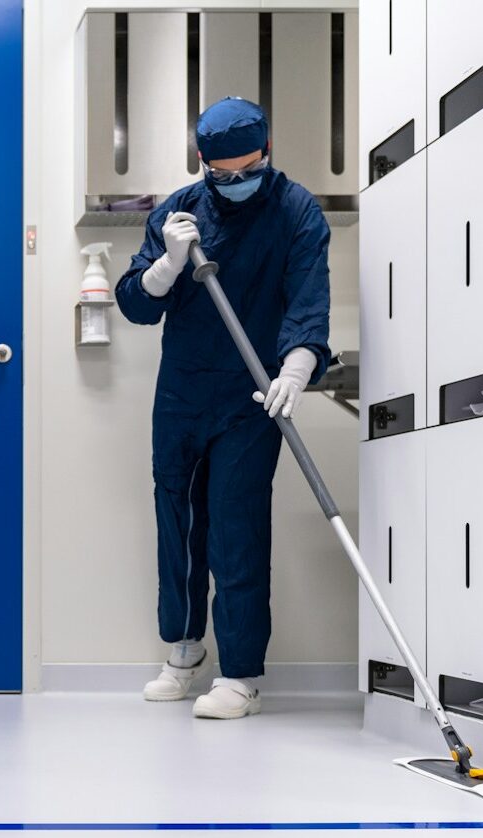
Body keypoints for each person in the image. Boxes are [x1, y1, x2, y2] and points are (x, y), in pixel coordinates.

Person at [115, 96, 331, 719]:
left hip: (252, 394)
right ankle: (184, 652)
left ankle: (238, 676)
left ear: (267, 151)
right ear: (204, 164)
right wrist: (167, 264)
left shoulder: (296, 212)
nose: (237, 183)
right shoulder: (177, 213)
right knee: (177, 520)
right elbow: (135, 303)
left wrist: (297, 365)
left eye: (248, 169)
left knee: (235, 525)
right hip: (183, 392)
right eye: (222, 174)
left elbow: (308, 298)